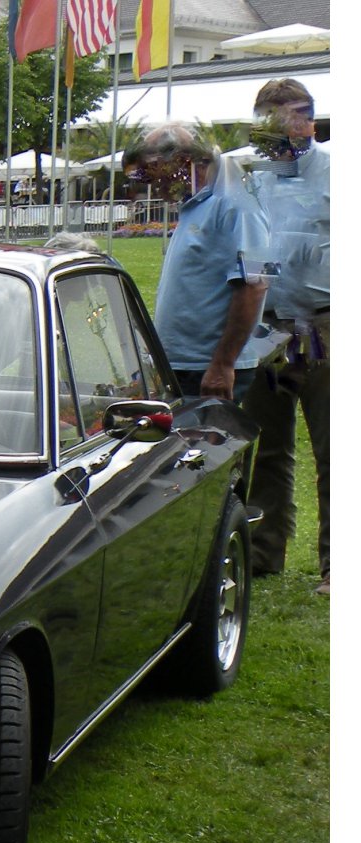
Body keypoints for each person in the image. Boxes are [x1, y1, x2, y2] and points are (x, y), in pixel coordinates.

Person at [237, 78, 329, 594]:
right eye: (272, 120)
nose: (289, 126)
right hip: (268, 329)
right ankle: (264, 552)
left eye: (297, 115)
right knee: (268, 446)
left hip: (326, 325)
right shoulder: (253, 179)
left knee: (334, 448)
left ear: (309, 119)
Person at [123, 122, 269, 401]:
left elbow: (257, 283)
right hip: (187, 367)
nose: (154, 187)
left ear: (182, 161)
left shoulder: (238, 202)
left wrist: (223, 364)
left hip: (208, 370)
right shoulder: (198, 201)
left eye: (155, 175)